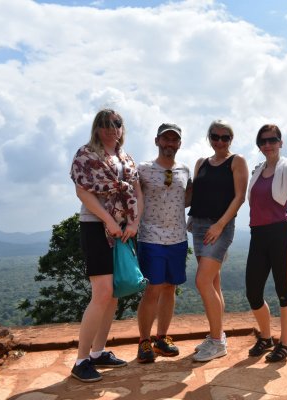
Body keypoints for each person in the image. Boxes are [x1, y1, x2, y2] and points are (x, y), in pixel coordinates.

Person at [69, 108, 143, 382]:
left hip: (123, 228)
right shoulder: (86, 154)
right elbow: (83, 191)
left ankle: (99, 352)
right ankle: (81, 360)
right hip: (95, 225)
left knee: (113, 293)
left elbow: (137, 192)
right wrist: (108, 221)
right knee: (101, 292)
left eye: (117, 123)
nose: (112, 128)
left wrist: (133, 224)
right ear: (97, 128)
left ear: (122, 128)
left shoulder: (126, 158)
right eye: (106, 124)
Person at [188, 120, 248, 362]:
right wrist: (191, 217)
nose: (220, 141)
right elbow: (195, 195)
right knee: (213, 283)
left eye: (225, 137)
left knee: (202, 281)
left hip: (220, 226)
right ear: (209, 137)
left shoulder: (237, 161)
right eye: (215, 136)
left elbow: (239, 197)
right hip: (199, 225)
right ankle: (217, 334)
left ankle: (216, 342)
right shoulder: (201, 163)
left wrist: (220, 224)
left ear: (231, 140)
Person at [245, 124, 287, 362]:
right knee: (253, 292)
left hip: (281, 235)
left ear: (281, 142)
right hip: (258, 235)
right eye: (263, 141)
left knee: (284, 291)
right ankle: (266, 338)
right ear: (259, 146)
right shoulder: (257, 172)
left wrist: (284, 230)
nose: (267, 145)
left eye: (272, 140)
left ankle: (285, 343)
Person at [135, 123, 191, 363]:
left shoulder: (185, 170)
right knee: (153, 288)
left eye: (174, 140)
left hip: (178, 238)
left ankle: (162, 338)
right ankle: (144, 341)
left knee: (170, 287)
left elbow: (187, 200)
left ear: (179, 143)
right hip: (150, 237)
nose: (170, 143)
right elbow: (134, 199)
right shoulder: (144, 169)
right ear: (157, 140)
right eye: (165, 139)